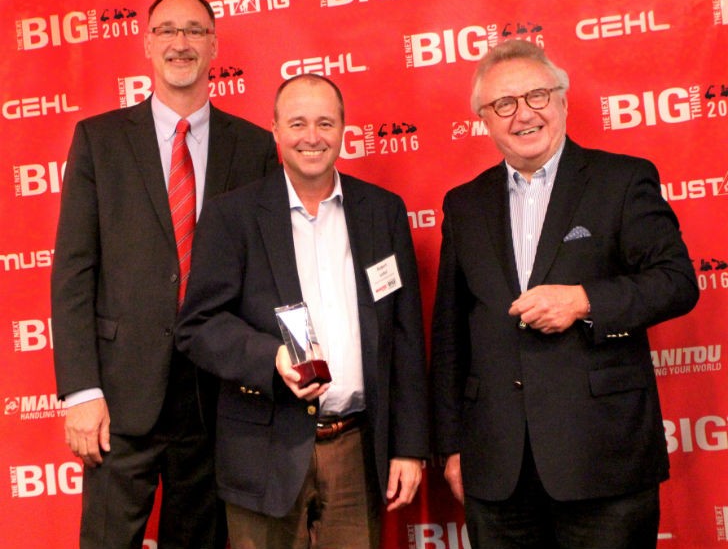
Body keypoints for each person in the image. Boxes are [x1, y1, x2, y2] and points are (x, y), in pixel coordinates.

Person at [430, 39, 699, 548]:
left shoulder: (621, 180)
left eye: (536, 95)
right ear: (484, 119)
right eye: (503, 104)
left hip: (603, 460)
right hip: (497, 466)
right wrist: (451, 447)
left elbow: (677, 282)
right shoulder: (463, 205)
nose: (523, 114)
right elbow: (450, 334)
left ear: (562, 100)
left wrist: (583, 301)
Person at [51, 0, 279, 548]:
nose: (181, 43)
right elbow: (74, 271)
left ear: (214, 45)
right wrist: (81, 392)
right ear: (148, 44)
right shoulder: (98, 140)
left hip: (214, 398)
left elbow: (266, 274)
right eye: (168, 31)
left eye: (195, 31)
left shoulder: (253, 148)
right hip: (118, 396)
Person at [175, 73, 429, 549]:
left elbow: (405, 335)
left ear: (343, 129)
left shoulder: (382, 211)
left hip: (357, 450)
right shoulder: (233, 216)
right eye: (297, 123)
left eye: (325, 123)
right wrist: (270, 357)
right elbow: (198, 327)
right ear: (274, 129)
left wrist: (409, 448)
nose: (312, 137)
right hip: (263, 451)